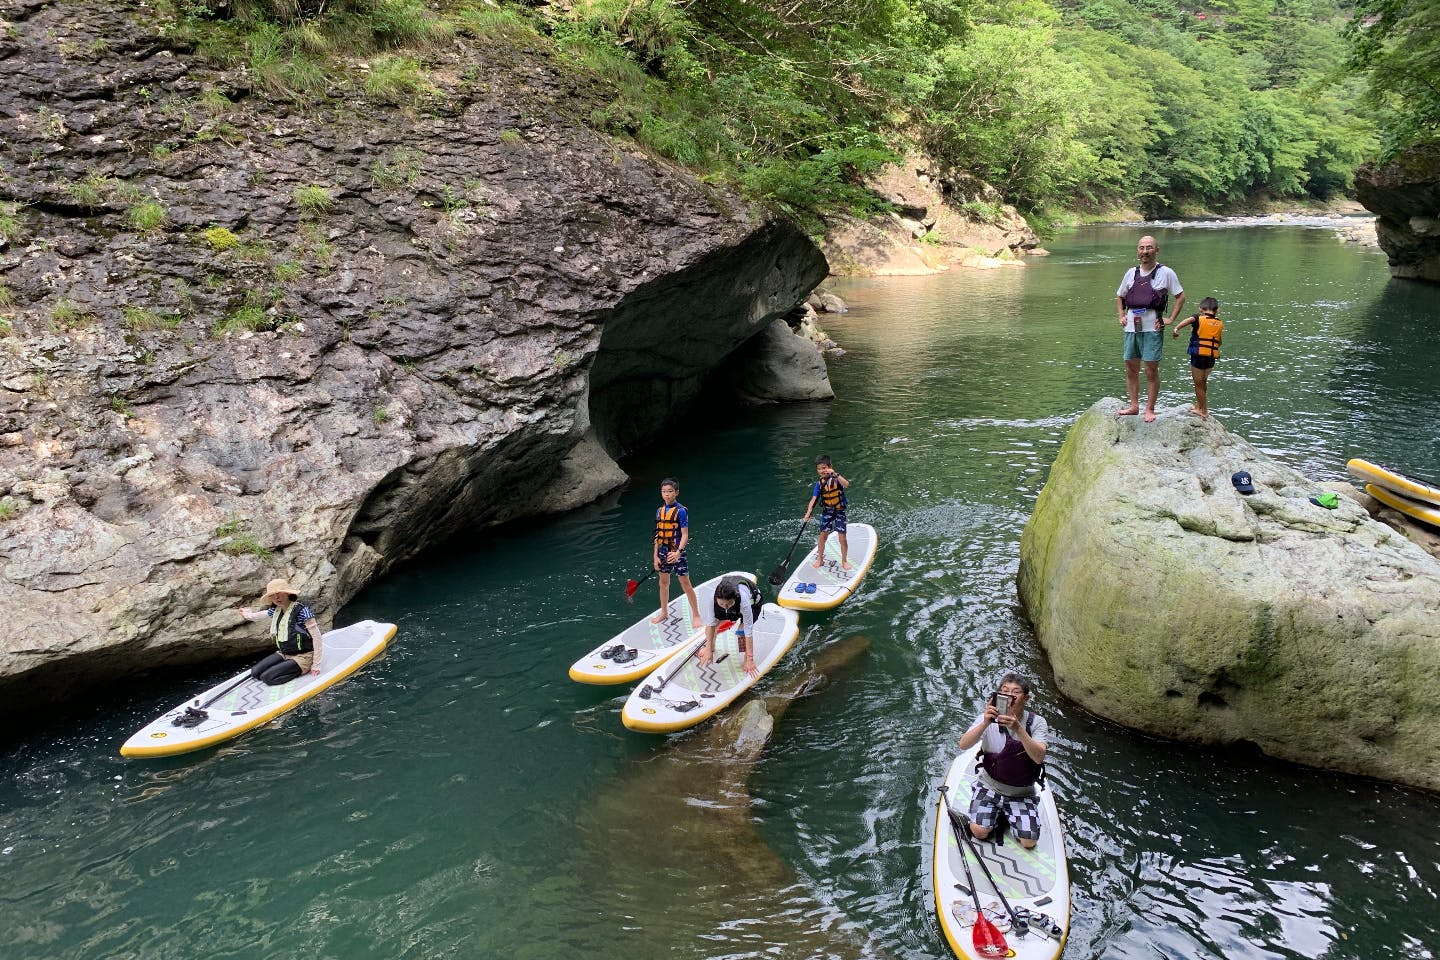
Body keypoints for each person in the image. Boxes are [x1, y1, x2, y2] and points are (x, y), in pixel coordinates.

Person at [956, 673, 1050, 849]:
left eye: (1015, 692)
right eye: (1004, 691)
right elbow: (963, 744)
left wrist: (1018, 728)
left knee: (1029, 842)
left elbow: (1038, 757)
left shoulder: (1037, 723)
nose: (1009, 696)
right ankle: (996, 814)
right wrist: (984, 723)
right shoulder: (988, 718)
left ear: (1026, 698)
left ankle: (1010, 816)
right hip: (989, 785)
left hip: (1021, 792)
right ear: (998, 695)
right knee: (979, 831)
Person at [1115, 235, 1185, 423]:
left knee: (1150, 369)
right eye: (1141, 248)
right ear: (1137, 251)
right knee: (1130, 367)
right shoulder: (1130, 273)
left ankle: (1150, 409)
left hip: (1153, 327)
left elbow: (1180, 296)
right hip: (1131, 327)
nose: (1145, 251)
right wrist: (1121, 316)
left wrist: (1170, 318)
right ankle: (1134, 406)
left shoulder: (1166, 273)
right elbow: (1120, 296)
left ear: (1156, 250)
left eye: (1149, 248)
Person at [239, 577, 322, 685]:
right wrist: (246, 613)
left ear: (287, 593)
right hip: (284, 653)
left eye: (279, 593)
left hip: (304, 656)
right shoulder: (275, 610)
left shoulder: (303, 611)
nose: (276, 597)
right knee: (255, 673)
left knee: (267, 678)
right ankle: (286, 666)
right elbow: (256, 616)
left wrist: (316, 664)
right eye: (272, 595)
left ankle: (300, 670)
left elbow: (317, 637)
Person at [652, 477, 703, 630]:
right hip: (662, 551)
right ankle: (664, 612)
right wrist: (655, 556)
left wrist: (679, 552)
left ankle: (696, 614)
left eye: (670, 492)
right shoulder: (659, 511)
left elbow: (685, 534)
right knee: (663, 583)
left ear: (676, 492)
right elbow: (658, 535)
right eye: (664, 492)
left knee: (685, 583)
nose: (666, 495)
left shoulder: (681, 511)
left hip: (676, 551)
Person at [695, 575, 762, 677]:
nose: (725, 607)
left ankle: (746, 658)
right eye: (722, 604)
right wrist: (708, 649)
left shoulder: (743, 601)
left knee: (742, 632)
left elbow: (749, 632)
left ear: (734, 598)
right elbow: (710, 625)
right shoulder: (712, 599)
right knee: (715, 622)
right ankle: (711, 647)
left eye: (728, 604)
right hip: (730, 604)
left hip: (753, 604)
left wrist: (750, 658)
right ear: (716, 599)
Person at [1171, 296, 1223, 418]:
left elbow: (1187, 321)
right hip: (1211, 357)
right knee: (1203, 382)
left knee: (1198, 384)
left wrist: (1176, 329)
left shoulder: (1197, 318)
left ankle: (1204, 411)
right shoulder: (1219, 323)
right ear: (1217, 310)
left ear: (1201, 309)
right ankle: (1199, 406)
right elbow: (1219, 342)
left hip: (1198, 355)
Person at [803, 454, 851, 571]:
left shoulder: (837, 479)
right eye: (819, 469)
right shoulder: (819, 484)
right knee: (823, 536)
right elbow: (813, 500)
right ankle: (820, 559)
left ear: (830, 467)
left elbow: (846, 484)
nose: (821, 471)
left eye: (824, 468)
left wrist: (836, 474)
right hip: (827, 512)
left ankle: (844, 560)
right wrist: (808, 513)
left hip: (839, 511)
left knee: (842, 538)